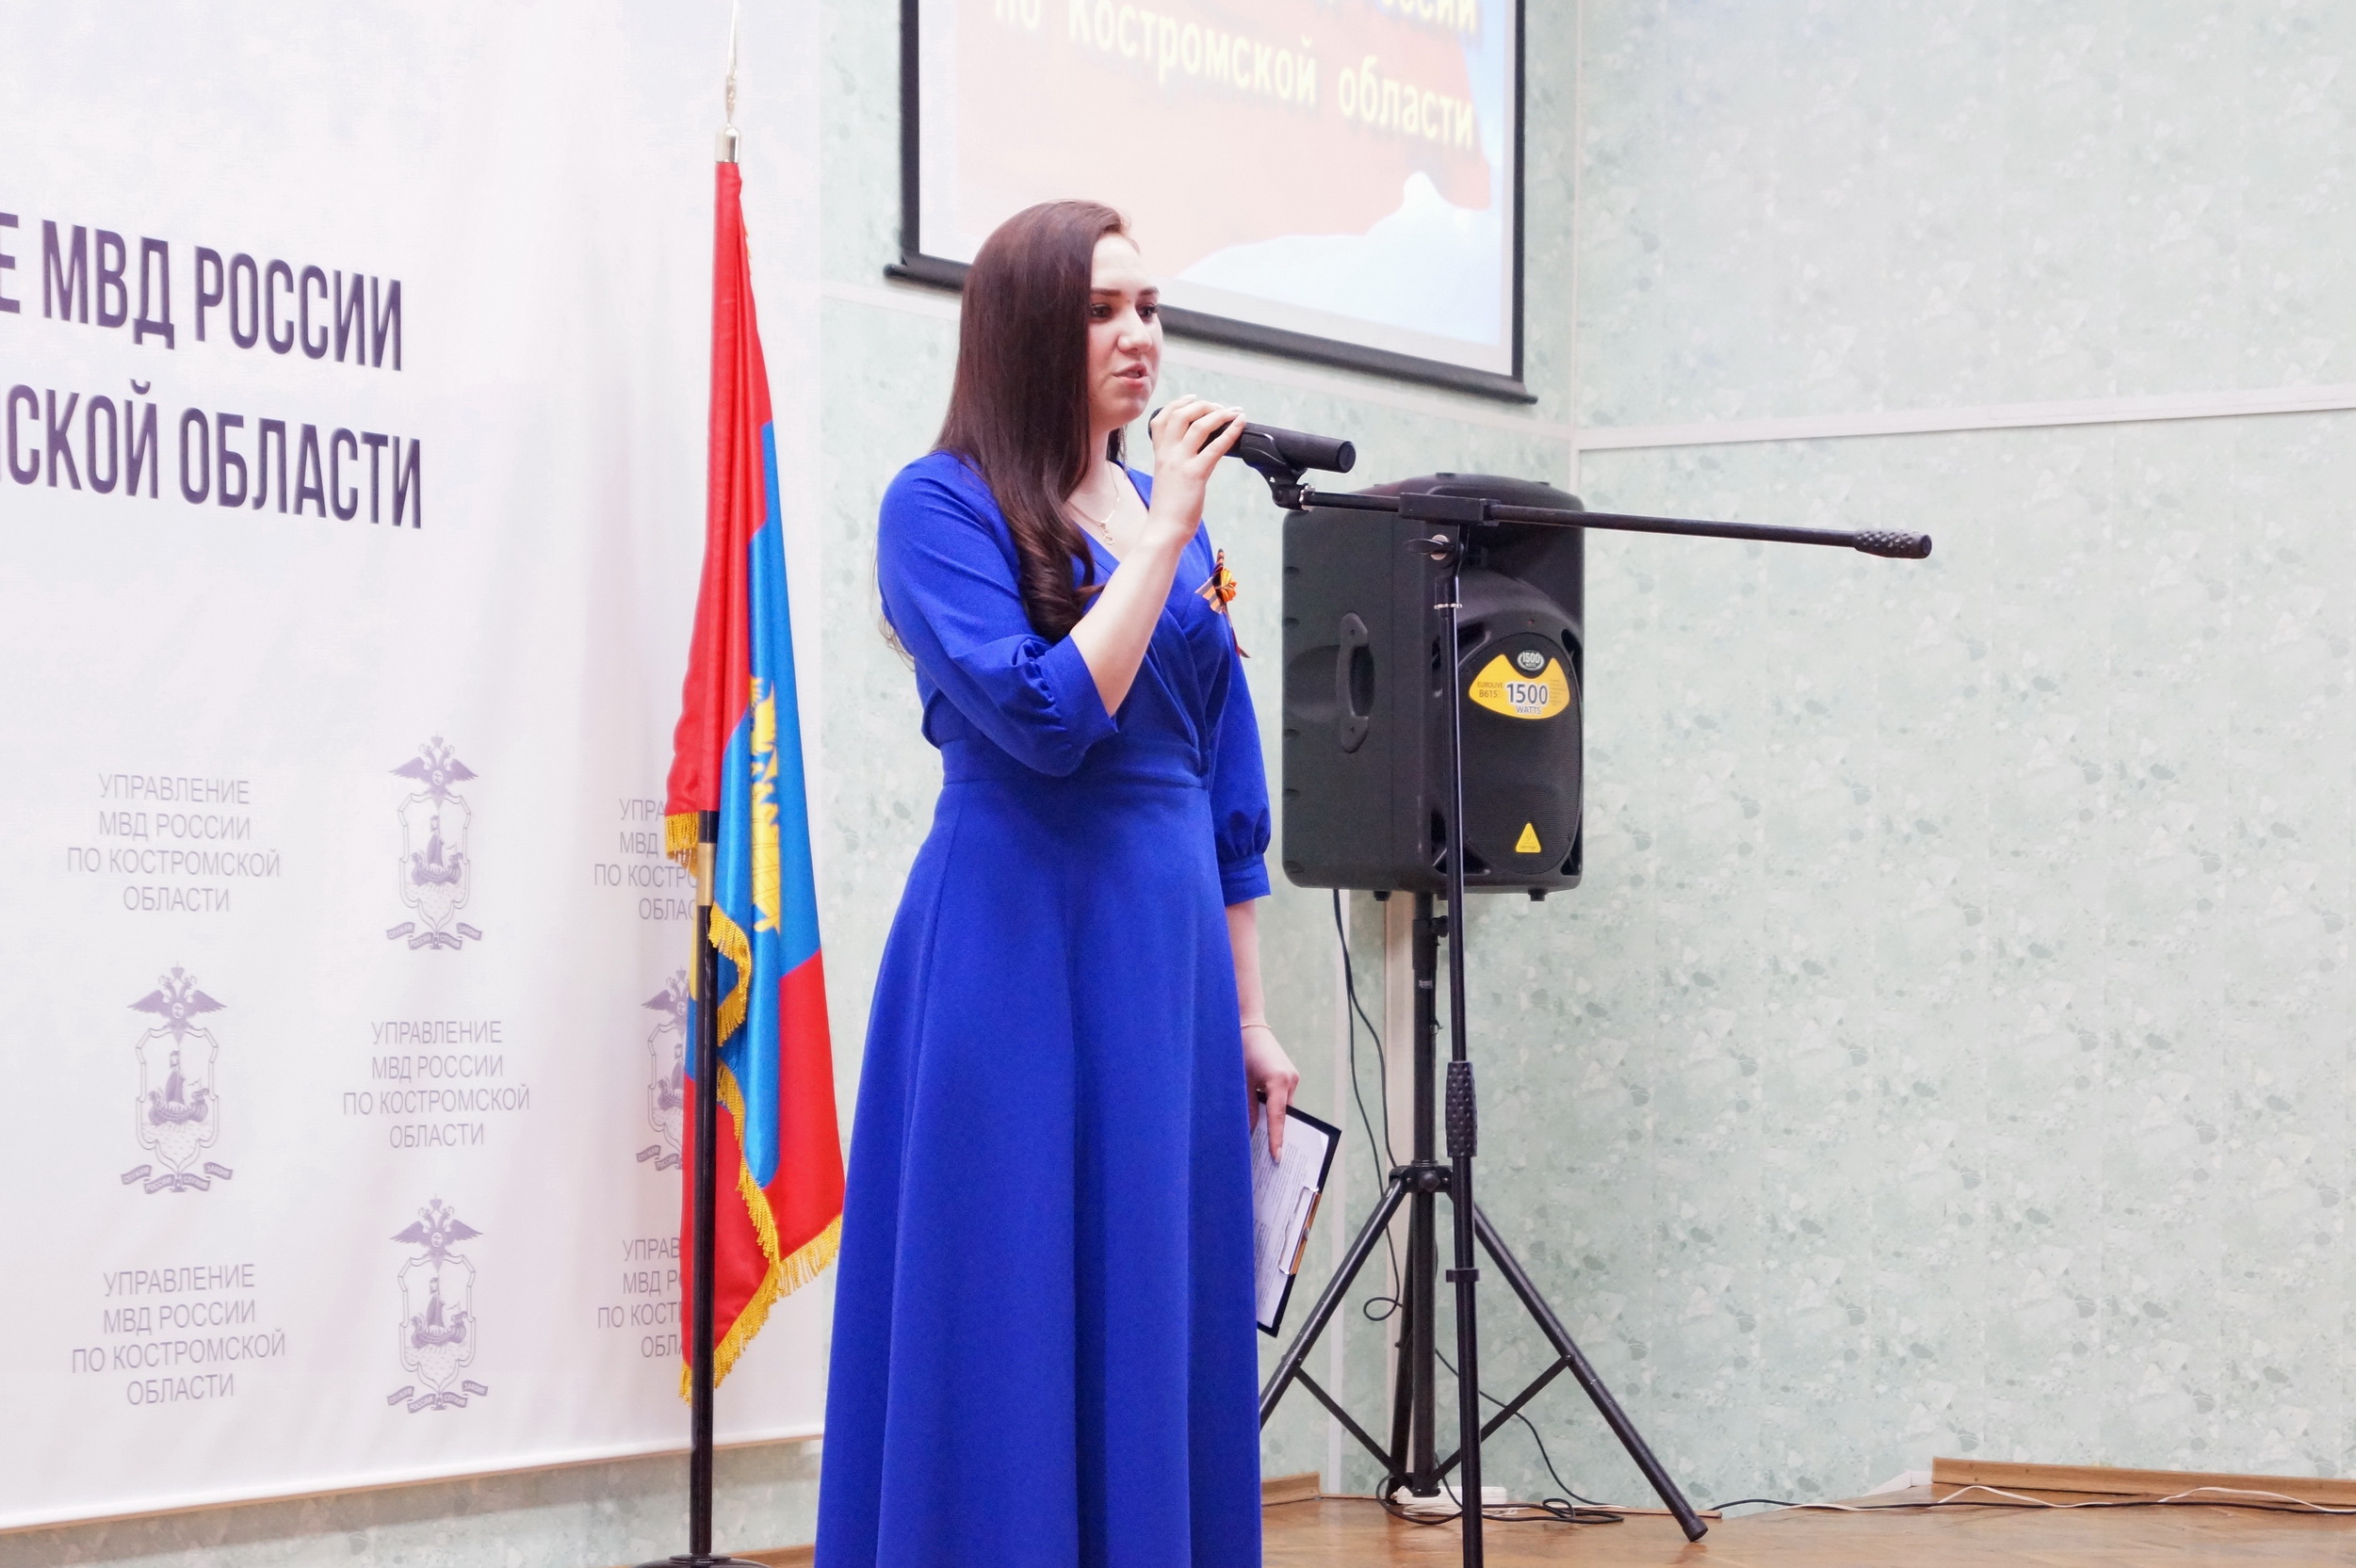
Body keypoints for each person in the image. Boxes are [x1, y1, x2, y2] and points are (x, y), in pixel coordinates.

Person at [813, 200, 1298, 1568]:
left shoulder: (1164, 519)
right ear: (1027, 331)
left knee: (1152, 1285)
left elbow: (1225, 786)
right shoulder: (938, 505)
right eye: (1100, 312)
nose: (1139, 336)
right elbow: (1045, 716)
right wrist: (1163, 536)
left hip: (1165, 957)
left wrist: (1250, 1016)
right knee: (1006, 1275)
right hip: (1013, 935)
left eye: (1148, 307)